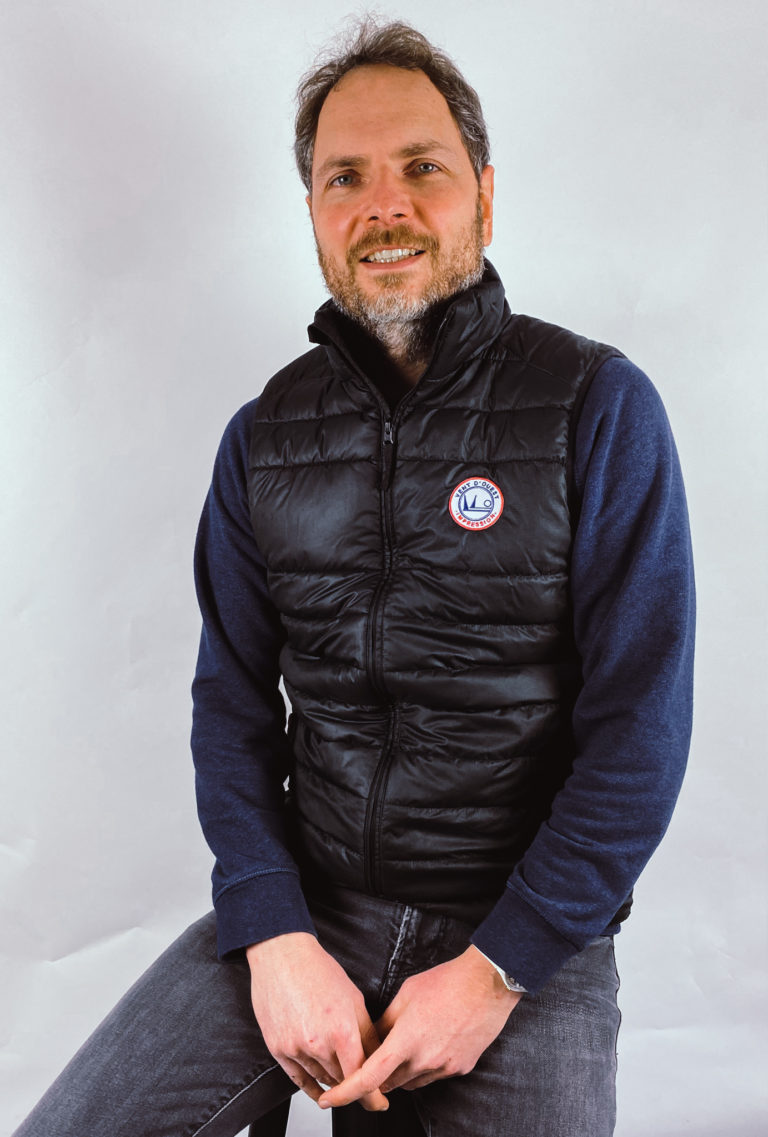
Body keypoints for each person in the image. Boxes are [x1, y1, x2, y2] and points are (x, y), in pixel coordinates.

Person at [14, 18, 694, 1137]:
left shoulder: (597, 407)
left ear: (484, 197)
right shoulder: (262, 437)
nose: (385, 205)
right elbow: (232, 709)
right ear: (315, 213)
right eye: (346, 178)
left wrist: (496, 970)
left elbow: (641, 732)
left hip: (527, 939)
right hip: (311, 910)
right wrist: (274, 933)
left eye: (421, 167)